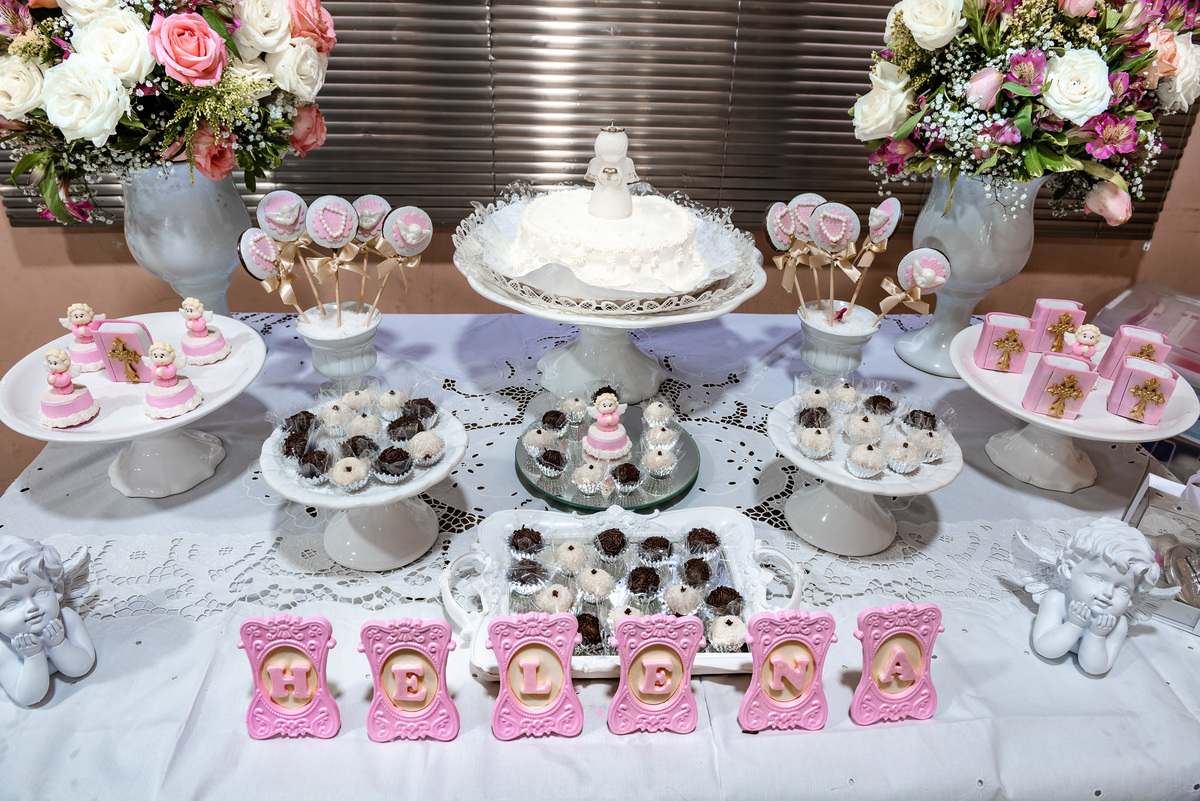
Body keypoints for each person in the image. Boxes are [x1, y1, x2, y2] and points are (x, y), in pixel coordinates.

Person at [1025, 518, 1162, 675]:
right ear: (1069, 570)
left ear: (1133, 597)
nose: (1108, 593)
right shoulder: (1057, 599)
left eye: (1123, 589)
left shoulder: (1118, 624)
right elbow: (1045, 648)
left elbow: (1096, 668)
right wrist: (1074, 625)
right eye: (1097, 578)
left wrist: (1096, 635)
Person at [0, 535, 95, 707]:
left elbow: (82, 667)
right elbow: (28, 697)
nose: (31, 607)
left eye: (39, 592)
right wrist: (33, 656)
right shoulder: (3, 647)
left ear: (57, 589)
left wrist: (59, 644)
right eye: (11, 604)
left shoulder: (67, 618)